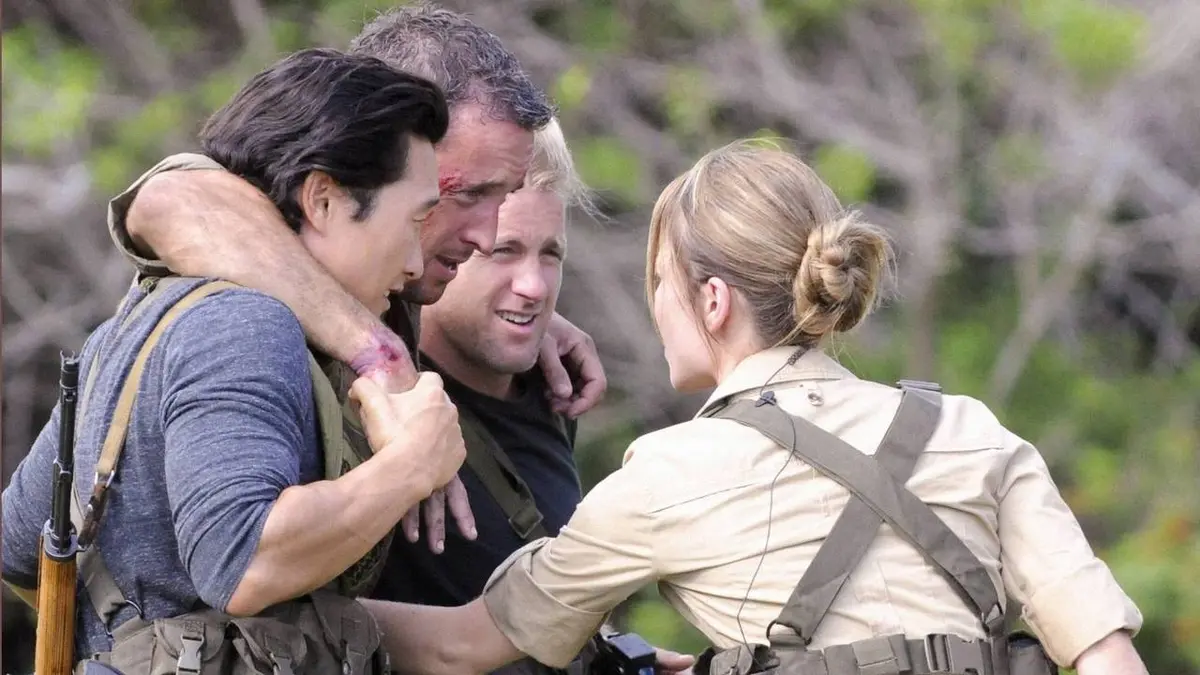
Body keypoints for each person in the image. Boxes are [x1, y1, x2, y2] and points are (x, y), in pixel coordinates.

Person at [354, 139, 1150, 675]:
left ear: (712, 299)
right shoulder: (971, 429)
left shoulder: (666, 474)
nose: (654, 304)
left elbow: (460, 648)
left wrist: (307, 612)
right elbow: (1107, 653)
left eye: (659, 281)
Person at [1, 48, 465, 671]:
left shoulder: (136, 323)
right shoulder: (247, 323)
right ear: (323, 200)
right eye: (414, 221)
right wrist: (412, 466)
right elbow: (242, 560)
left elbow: (18, 541)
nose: (414, 262)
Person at [105, 2, 609, 555]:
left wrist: (526, 316)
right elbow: (171, 200)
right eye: (468, 193)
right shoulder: (242, 317)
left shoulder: (401, 287)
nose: (487, 237)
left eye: (503, 197)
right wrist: (379, 357)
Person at [378, 117, 591, 609]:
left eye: (550, 254)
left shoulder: (553, 384)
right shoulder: (369, 394)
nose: (534, 286)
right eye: (503, 251)